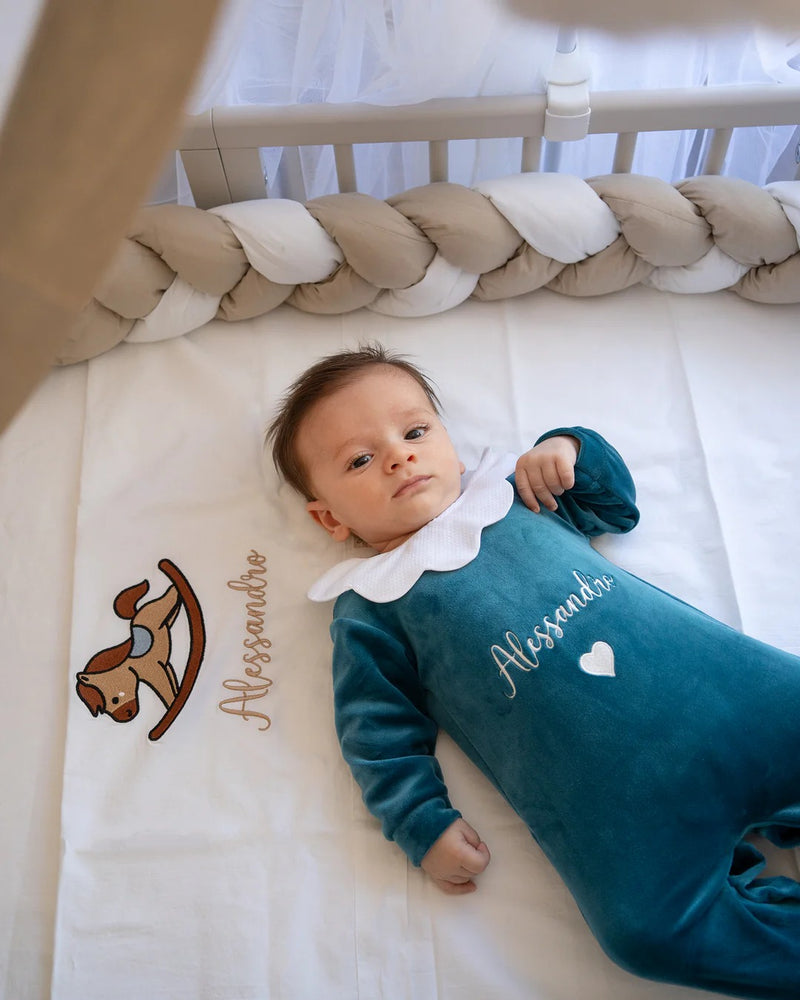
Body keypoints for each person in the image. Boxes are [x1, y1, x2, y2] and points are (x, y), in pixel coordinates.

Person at [267, 343, 800, 999]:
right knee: (645, 933)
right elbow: (376, 735)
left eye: (414, 432)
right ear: (329, 517)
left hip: (735, 701)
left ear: (447, 441)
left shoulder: (512, 494)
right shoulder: (373, 605)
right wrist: (421, 823)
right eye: (359, 460)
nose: (399, 457)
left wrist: (570, 450)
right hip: (620, 806)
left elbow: (616, 506)